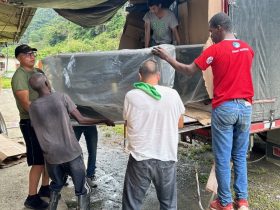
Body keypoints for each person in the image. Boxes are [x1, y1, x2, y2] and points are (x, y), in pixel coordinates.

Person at [152, 12, 254, 210]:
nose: (210, 36)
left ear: (219, 29)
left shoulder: (214, 51)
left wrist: (166, 57)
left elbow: (189, 70)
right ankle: (242, 201)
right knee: (240, 156)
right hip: (246, 108)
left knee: (223, 158)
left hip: (225, 108)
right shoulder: (247, 48)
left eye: (211, 32)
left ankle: (224, 202)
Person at [28, 73, 115, 210]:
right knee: (82, 189)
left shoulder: (33, 107)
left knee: (56, 186)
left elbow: (36, 127)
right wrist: (103, 119)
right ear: (46, 82)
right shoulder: (61, 97)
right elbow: (82, 120)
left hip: (51, 157)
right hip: (71, 153)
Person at [122, 59, 185, 210]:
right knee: (168, 205)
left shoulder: (131, 96)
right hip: (166, 156)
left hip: (140, 158)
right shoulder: (173, 94)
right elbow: (180, 123)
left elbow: (127, 121)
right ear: (158, 75)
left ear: (139, 76)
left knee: (132, 205)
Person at [11, 44, 49, 209]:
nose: (32, 56)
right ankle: (31, 197)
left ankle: (45, 187)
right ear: (19, 58)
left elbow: (49, 92)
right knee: (38, 161)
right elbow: (27, 104)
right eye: (27, 54)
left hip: (46, 120)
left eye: (33, 53)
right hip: (31, 122)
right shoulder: (20, 76)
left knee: (48, 157)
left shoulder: (38, 72)